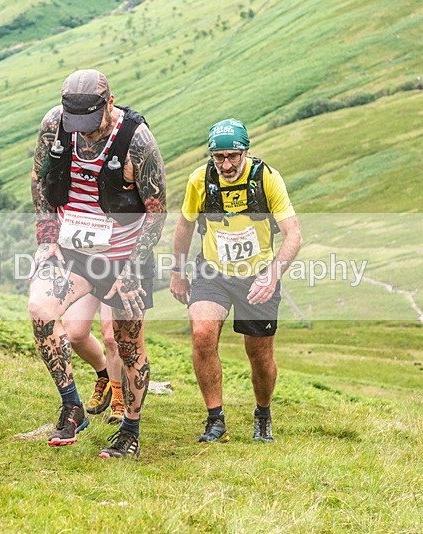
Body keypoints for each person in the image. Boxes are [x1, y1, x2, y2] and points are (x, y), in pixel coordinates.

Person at [29, 69, 166, 458]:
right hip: (71, 250)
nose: (85, 134)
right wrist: (46, 239)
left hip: (123, 256)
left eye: (91, 125)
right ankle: (72, 404)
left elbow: (157, 212)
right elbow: (39, 180)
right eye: (78, 126)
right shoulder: (55, 126)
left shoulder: (137, 140)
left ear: (109, 103)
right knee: (40, 310)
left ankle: (130, 432)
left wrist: (131, 267)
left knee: (127, 344)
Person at [170, 118, 302, 444]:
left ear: (246, 152)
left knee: (259, 356)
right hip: (213, 271)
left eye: (233, 156)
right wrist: (177, 272)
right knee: (202, 333)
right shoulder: (200, 180)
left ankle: (263, 412)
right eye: (219, 157)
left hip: (258, 276)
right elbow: (184, 227)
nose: (226, 165)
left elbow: (294, 234)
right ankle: (216, 419)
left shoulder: (267, 179)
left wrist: (272, 275)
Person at [62, 295, 125, 424]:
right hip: (88, 275)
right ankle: (105, 375)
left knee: (111, 337)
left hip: (116, 277)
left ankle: (119, 398)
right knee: (74, 334)